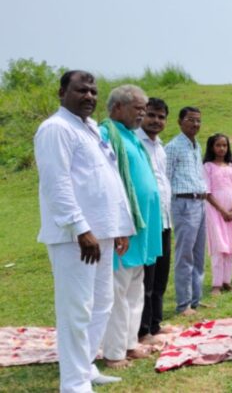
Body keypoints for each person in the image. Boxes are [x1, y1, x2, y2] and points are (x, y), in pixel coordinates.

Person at [35, 70, 134, 390]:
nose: (89, 96)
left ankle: (85, 366)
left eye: (93, 91)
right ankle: (74, 383)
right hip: (75, 237)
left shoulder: (89, 128)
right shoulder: (56, 128)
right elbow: (57, 183)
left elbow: (106, 179)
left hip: (102, 233)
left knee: (101, 303)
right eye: (81, 90)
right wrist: (80, 228)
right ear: (62, 93)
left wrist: (118, 227)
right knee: (76, 310)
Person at [99, 85, 163, 369]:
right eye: (138, 108)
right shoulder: (106, 134)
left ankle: (129, 343)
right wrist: (116, 225)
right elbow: (106, 183)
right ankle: (114, 353)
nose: (142, 114)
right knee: (118, 290)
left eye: (144, 108)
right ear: (117, 108)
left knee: (136, 287)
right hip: (123, 227)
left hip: (142, 227)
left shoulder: (131, 137)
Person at [136, 98, 174, 345]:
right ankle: (143, 330)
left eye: (161, 117)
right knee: (146, 278)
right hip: (147, 221)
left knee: (160, 274)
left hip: (164, 220)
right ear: (142, 115)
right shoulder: (135, 143)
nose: (156, 121)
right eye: (151, 115)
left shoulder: (160, 147)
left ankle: (156, 324)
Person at [165, 106, 208, 316]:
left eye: (198, 120)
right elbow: (165, 178)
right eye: (191, 120)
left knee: (199, 254)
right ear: (180, 121)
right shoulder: (173, 147)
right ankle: (183, 304)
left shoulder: (196, 145)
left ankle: (195, 299)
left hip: (200, 202)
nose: (195, 124)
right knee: (185, 255)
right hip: (183, 203)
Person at [203, 133, 232, 296]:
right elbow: (207, 192)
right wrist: (222, 211)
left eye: (224, 145)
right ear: (211, 147)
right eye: (218, 145)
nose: (221, 148)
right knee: (219, 247)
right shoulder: (207, 167)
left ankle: (226, 282)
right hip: (215, 211)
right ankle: (216, 284)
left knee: (231, 247)